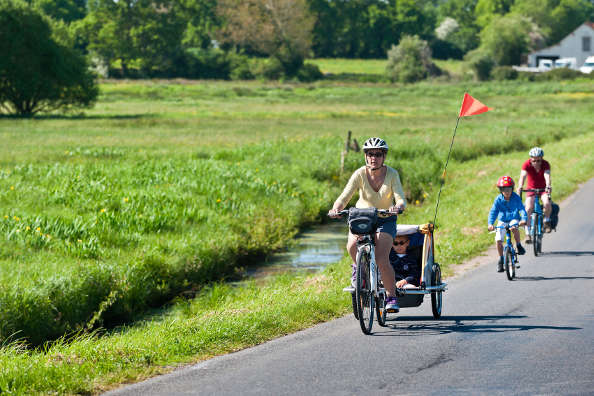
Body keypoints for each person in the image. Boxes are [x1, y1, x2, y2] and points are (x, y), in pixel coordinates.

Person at [329, 137, 406, 312]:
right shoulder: (359, 174)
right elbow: (345, 196)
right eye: (370, 154)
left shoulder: (392, 174)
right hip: (362, 217)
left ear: (384, 156)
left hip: (385, 218)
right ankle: (360, 270)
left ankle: (391, 297)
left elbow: (400, 197)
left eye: (378, 154)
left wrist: (398, 207)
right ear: (365, 156)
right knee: (351, 246)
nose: (374, 158)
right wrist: (336, 208)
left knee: (381, 258)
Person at [488, 176, 527, 272]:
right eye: (504, 189)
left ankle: (518, 245)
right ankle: (501, 259)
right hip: (502, 220)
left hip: (514, 218)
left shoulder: (516, 197)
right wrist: (490, 224)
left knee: (514, 227)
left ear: (512, 189)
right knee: (498, 240)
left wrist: (523, 219)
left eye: (509, 189)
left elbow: (521, 209)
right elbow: (493, 212)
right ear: (500, 190)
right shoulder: (498, 199)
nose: (507, 192)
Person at [516, 147, 552, 240]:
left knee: (547, 203)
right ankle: (527, 232)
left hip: (542, 189)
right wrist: (520, 186)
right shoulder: (526, 164)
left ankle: (546, 221)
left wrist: (548, 185)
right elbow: (523, 176)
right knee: (528, 208)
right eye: (534, 161)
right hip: (530, 189)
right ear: (530, 159)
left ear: (542, 158)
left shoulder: (545, 164)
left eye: (539, 160)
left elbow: (547, 175)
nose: (536, 163)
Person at [389, 235, 421, 312]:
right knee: (384, 288)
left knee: (412, 288)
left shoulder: (411, 258)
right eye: (395, 243)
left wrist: (405, 281)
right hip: (390, 282)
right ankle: (390, 304)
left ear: (407, 243)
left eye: (401, 243)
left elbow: (415, 273)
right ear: (391, 244)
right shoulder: (389, 257)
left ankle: (396, 302)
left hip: (405, 283)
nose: (399, 246)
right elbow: (382, 270)